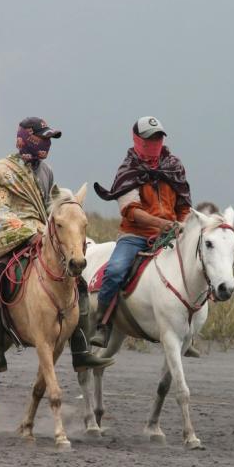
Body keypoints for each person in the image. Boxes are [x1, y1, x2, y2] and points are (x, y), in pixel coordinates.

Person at [0, 117, 115, 376]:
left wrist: (59, 219)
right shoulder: (2, 170)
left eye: (49, 139)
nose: (47, 143)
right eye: (42, 138)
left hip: (40, 235)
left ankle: (81, 351)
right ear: (26, 138)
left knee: (78, 283)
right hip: (5, 239)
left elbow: (50, 207)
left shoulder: (46, 171)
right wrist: (29, 231)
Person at [90, 116, 193, 348]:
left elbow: (184, 205)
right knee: (115, 270)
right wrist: (160, 223)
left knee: (195, 268)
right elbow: (131, 210)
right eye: (149, 138)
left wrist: (182, 225)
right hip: (135, 236)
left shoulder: (174, 167)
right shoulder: (128, 170)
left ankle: (189, 330)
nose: (154, 142)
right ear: (137, 140)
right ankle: (102, 323)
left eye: (158, 137)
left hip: (171, 235)